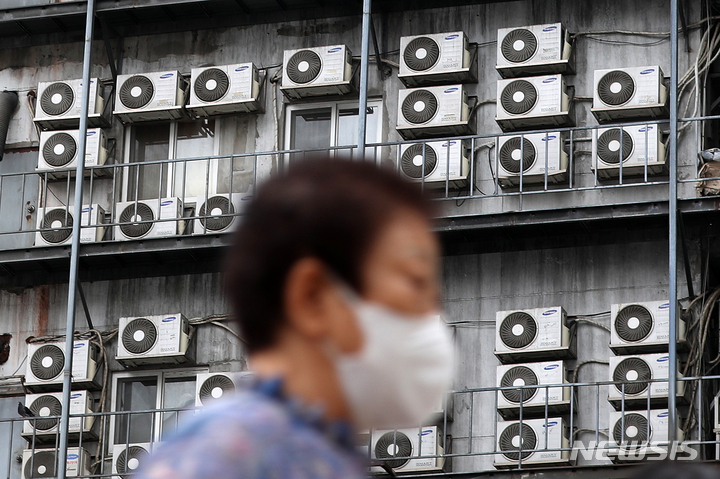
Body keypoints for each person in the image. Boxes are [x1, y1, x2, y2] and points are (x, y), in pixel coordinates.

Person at [137, 157, 454, 479]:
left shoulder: (308, 452)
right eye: (416, 281)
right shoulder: (226, 454)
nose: (433, 314)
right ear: (312, 298)